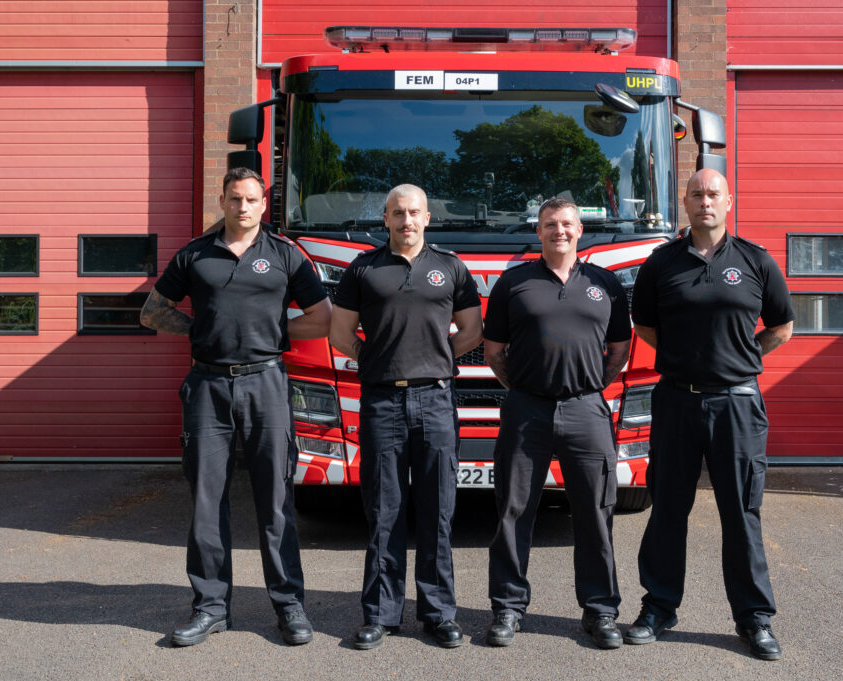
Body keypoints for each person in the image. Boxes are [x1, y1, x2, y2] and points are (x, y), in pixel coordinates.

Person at [140, 167, 332, 647]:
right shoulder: (195, 255)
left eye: (250, 199)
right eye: (233, 199)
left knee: (276, 502)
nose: (242, 207)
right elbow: (152, 312)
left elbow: (323, 317)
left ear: (263, 205)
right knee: (207, 500)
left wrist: (274, 337)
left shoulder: (287, 256)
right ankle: (209, 608)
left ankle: (289, 608)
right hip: (207, 386)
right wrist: (201, 332)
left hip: (266, 383)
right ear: (221, 201)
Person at [627, 168, 794, 661]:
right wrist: (688, 361)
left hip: (738, 404)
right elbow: (646, 326)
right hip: (677, 399)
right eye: (697, 194)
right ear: (685, 202)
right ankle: (658, 608)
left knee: (741, 512)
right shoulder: (662, 264)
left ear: (729, 202)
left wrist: (741, 359)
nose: (705, 201)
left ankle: (754, 619)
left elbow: (782, 327)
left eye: (713, 194)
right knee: (668, 509)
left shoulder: (755, 261)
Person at [329, 184, 482, 650]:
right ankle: (381, 615)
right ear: (386, 218)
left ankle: (438, 614)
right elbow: (339, 332)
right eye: (398, 213)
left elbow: (473, 330)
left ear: (428, 217)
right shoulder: (364, 268)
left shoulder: (450, 267)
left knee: (437, 510)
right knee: (384, 511)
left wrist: (435, 358)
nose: (406, 220)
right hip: (381, 403)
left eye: (414, 212)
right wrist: (372, 359)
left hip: (435, 400)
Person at [483, 196, 632, 649]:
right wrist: (528, 388)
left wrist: (586, 386)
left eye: (566, 224)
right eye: (550, 224)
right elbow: (493, 351)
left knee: (595, 511)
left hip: (587, 410)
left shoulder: (605, 284)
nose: (559, 231)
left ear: (579, 230)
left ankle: (601, 611)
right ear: (539, 231)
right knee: (513, 510)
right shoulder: (514, 283)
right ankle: (508, 608)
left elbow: (620, 351)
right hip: (527, 409)